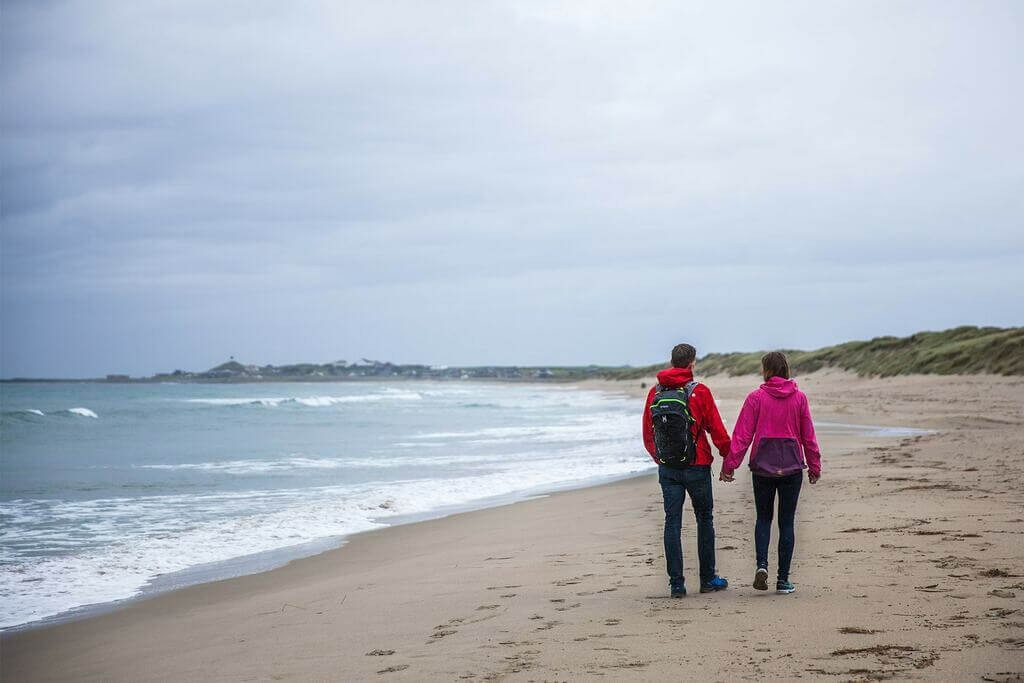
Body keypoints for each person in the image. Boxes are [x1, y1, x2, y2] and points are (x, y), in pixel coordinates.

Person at [719, 351, 821, 594]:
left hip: (763, 468)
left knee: (763, 518)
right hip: (792, 467)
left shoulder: (755, 398)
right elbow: (809, 436)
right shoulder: (800, 399)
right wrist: (814, 465)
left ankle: (761, 565)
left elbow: (742, 436)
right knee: (786, 522)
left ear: (766, 371)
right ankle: (783, 580)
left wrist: (729, 465)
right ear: (786, 369)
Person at [643, 343, 731, 597]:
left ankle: (677, 584)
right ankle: (707, 579)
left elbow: (648, 432)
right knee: (704, 519)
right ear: (692, 363)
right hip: (698, 465)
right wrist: (728, 458)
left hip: (668, 468)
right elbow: (716, 429)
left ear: (672, 362)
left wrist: (660, 458)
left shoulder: (655, 391)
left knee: (672, 522)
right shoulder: (699, 391)